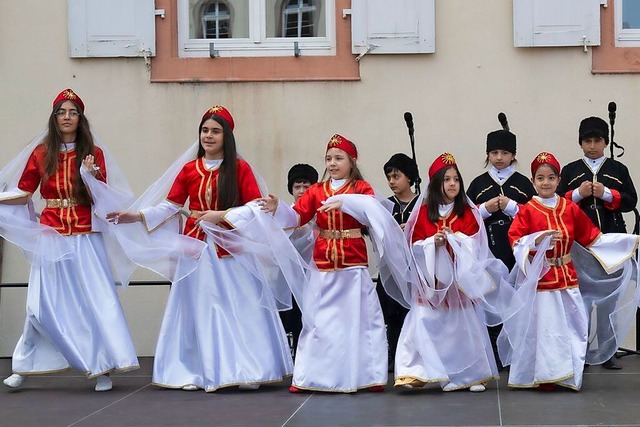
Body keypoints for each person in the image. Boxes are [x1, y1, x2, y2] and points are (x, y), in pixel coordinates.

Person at [106, 105, 293, 392]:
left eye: (215, 131)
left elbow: (255, 206)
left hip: (230, 246)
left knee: (238, 304)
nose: (208, 135)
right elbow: (171, 205)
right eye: (205, 130)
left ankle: (248, 368)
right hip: (196, 246)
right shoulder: (189, 169)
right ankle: (196, 371)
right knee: (199, 306)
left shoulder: (239, 169)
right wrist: (136, 216)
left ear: (226, 136)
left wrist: (221, 215)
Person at [0, 88, 139, 392]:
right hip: (51, 235)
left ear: (80, 118)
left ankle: (101, 367)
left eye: (73, 112)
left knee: (95, 299)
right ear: (54, 117)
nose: (67, 117)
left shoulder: (93, 153)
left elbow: (101, 199)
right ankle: (23, 365)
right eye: (62, 112)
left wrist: (90, 175)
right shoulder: (41, 153)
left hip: (86, 235)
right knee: (39, 304)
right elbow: (24, 192)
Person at [260, 134, 410, 393]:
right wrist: (277, 209)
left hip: (353, 264)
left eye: (338, 158)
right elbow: (297, 216)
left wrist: (348, 202)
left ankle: (365, 376)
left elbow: (373, 213)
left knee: (360, 320)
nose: (332, 163)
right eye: (329, 158)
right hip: (324, 263)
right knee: (319, 321)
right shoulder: (317, 190)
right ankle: (312, 376)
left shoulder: (361, 189)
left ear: (351, 161)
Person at [500, 152, 638, 391]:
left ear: (558, 179)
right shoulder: (529, 210)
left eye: (551, 177)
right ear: (533, 181)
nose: (545, 182)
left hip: (567, 277)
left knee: (572, 326)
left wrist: (625, 244)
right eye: (540, 178)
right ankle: (545, 374)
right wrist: (537, 240)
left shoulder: (569, 208)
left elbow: (592, 237)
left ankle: (567, 373)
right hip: (542, 280)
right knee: (545, 329)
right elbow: (515, 240)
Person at [395, 152, 501, 392]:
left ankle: (469, 375)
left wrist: (456, 241)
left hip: (459, 282)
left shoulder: (468, 212)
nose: (452, 184)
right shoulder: (422, 215)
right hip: (431, 283)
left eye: (456, 179)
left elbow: (476, 243)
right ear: (435, 184)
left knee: (462, 328)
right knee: (424, 321)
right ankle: (418, 372)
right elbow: (413, 248)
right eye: (446, 180)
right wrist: (432, 243)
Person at [557, 116, 638, 370]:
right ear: (581, 142)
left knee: (609, 300)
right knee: (580, 300)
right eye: (587, 141)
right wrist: (577, 194)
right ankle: (579, 350)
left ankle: (607, 350)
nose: (592, 146)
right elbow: (557, 202)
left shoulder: (617, 170)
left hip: (610, 241)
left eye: (598, 140)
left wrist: (606, 193)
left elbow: (630, 200)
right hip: (580, 245)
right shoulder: (570, 170)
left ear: (606, 142)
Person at [467, 126, 536, 370]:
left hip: (516, 251)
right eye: (494, 152)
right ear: (487, 154)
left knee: (516, 299)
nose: (499, 158)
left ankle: (517, 351)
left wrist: (510, 207)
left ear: (513, 155)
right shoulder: (478, 184)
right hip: (489, 250)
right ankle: (494, 350)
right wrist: (485, 208)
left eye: (504, 153)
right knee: (491, 297)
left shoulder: (523, 184)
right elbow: (465, 218)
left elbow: (535, 214)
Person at [379, 153, 418, 369]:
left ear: (409, 178)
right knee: (392, 314)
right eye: (389, 177)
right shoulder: (386, 205)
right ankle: (393, 356)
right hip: (392, 269)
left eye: (396, 176)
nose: (392, 182)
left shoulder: (421, 204)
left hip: (415, 269)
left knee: (412, 312)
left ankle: (413, 356)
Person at [280, 163, 319, 357]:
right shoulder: (285, 214)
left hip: (315, 276)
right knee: (293, 318)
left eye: (306, 186)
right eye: (297, 186)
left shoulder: (320, 214)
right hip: (290, 276)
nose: (302, 191)